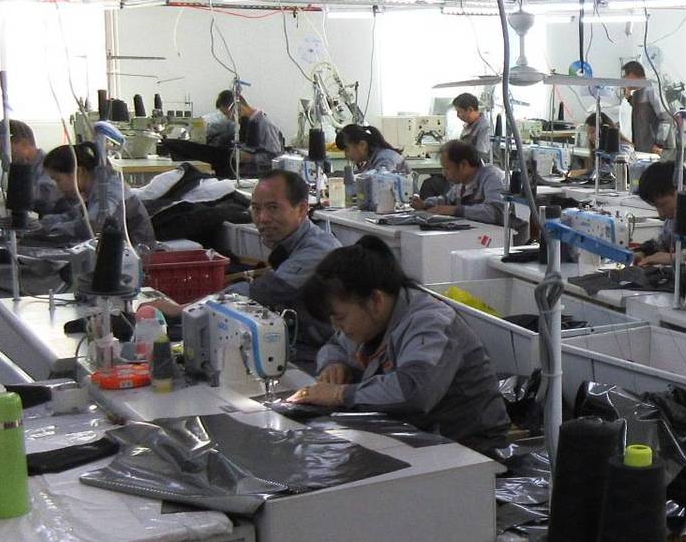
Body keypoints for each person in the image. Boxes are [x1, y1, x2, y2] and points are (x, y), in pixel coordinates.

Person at [290, 238, 510, 447]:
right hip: (415, 433)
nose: (337, 327)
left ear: (376, 300)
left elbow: (412, 390)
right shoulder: (372, 320)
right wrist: (334, 364)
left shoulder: (430, 324)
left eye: (340, 318)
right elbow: (336, 345)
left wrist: (339, 394)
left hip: (470, 446)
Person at [154, 172, 339, 365]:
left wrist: (180, 309)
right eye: (256, 209)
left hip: (325, 358)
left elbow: (259, 293)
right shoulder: (290, 245)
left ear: (302, 209)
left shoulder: (319, 250)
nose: (262, 218)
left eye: (273, 208)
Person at [39, 142, 157, 249]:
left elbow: (95, 224)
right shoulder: (96, 189)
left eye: (57, 180)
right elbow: (74, 215)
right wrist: (43, 224)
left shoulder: (109, 190)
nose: (56, 186)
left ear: (79, 172)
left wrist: (53, 228)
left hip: (135, 256)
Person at [411, 141, 508, 224]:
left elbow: (497, 212)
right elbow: (446, 200)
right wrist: (425, 204)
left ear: (463, 165)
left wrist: (454, 210)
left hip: (501, 237)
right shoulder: (462, 184)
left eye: (447, 168)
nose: (444, 174)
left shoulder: (492, 177)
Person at [0, 120, 61, 215]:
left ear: (24, 144)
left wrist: (16, 189)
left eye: (3, 150)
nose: (2, 156)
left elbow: (48, 195)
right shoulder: (24, 169)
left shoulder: (51, 166)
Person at [620, 61, 673, 154]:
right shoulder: (637, 92)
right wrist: (629, 98)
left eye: (625, 76)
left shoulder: (651, 89)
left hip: (658, 149)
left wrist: (659, 143)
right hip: (643, 149)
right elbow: (641, 113)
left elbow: (666, 118)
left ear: (632, 75)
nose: (625, 81)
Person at [335, 124, 409, 182]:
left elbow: (380, 182)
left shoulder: (385, 159)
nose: (346, 155)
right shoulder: (372, 160)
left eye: (347, 150)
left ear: (362, 145)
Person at [234, 95, 287, 172]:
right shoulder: (247, 122)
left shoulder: (266, 124)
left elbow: (276, 157)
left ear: (239, 108)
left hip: (265, 173)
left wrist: (251, 158)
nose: (228, 118)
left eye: (227, 114)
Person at [452, 92, 492, 160]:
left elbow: (481, 156)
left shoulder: (484, 128)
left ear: (470, 110)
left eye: (459, 112)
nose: (457, 115)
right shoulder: (469, 125)